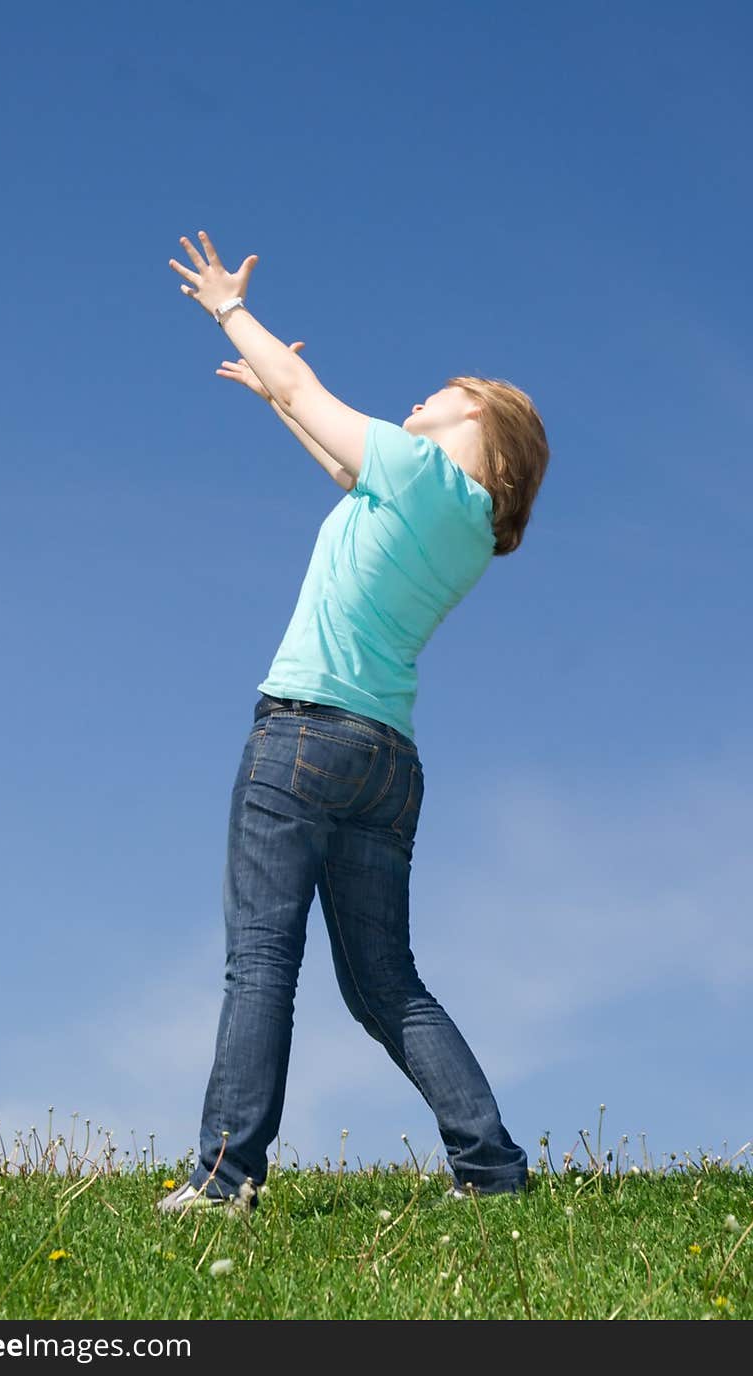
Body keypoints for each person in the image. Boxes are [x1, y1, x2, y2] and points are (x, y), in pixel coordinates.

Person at [159, 232, 549, 1213]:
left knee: (260, 961)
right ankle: (492, 1170)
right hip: (385, 761)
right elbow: (339, 460)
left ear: (483, 430)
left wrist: (229, 311)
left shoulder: (421, 474)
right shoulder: (455, 520)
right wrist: (280, 394)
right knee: (386, 985)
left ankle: (224, 1178)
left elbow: (323, 410)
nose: (421, 399)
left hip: (301, 738)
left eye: (441, 394)